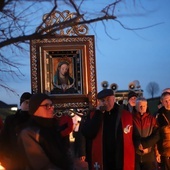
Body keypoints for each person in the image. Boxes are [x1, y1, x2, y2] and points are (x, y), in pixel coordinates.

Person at [81, 88, 135, 170]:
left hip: (120, 158)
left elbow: (134, 136)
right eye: (103, 100)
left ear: (114, 99)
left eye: (108, 100)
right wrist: (98, 113)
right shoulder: (94, 115)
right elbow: (88, 133)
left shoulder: (125, 115)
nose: (106, 103)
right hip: (103, 158)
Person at [18, 93, 74, 170]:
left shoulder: (54, 128)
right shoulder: (30, 133)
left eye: (52, 105)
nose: (51, 108)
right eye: (47, 106)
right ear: (35, 108)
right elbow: (41, 165)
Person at [0, 92, 32, 170]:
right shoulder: (11, 120)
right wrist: (7, 155)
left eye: (31, 103)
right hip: (14, 159)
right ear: (21, 103)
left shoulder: (35, 120)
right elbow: (4, 138)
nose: (28, 105)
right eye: (26, 102)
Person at [133, 97, 159, 170]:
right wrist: (138, 144)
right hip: (135, 155)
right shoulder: (131, 119)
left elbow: (156, 135)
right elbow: (129, 136)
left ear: (147, 106)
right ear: (136, 106)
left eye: (144, 106)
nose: (142, 108)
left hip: (149, 155)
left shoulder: (152, 119)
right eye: (140, 106)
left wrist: (145, 145)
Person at [156, 90, 170, 170]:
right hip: (166, 152)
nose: (168, 103)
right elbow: (157, 135)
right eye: (166, 101)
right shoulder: (159, 116)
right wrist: (157, 152)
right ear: (162, 102)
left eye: (169, 100)